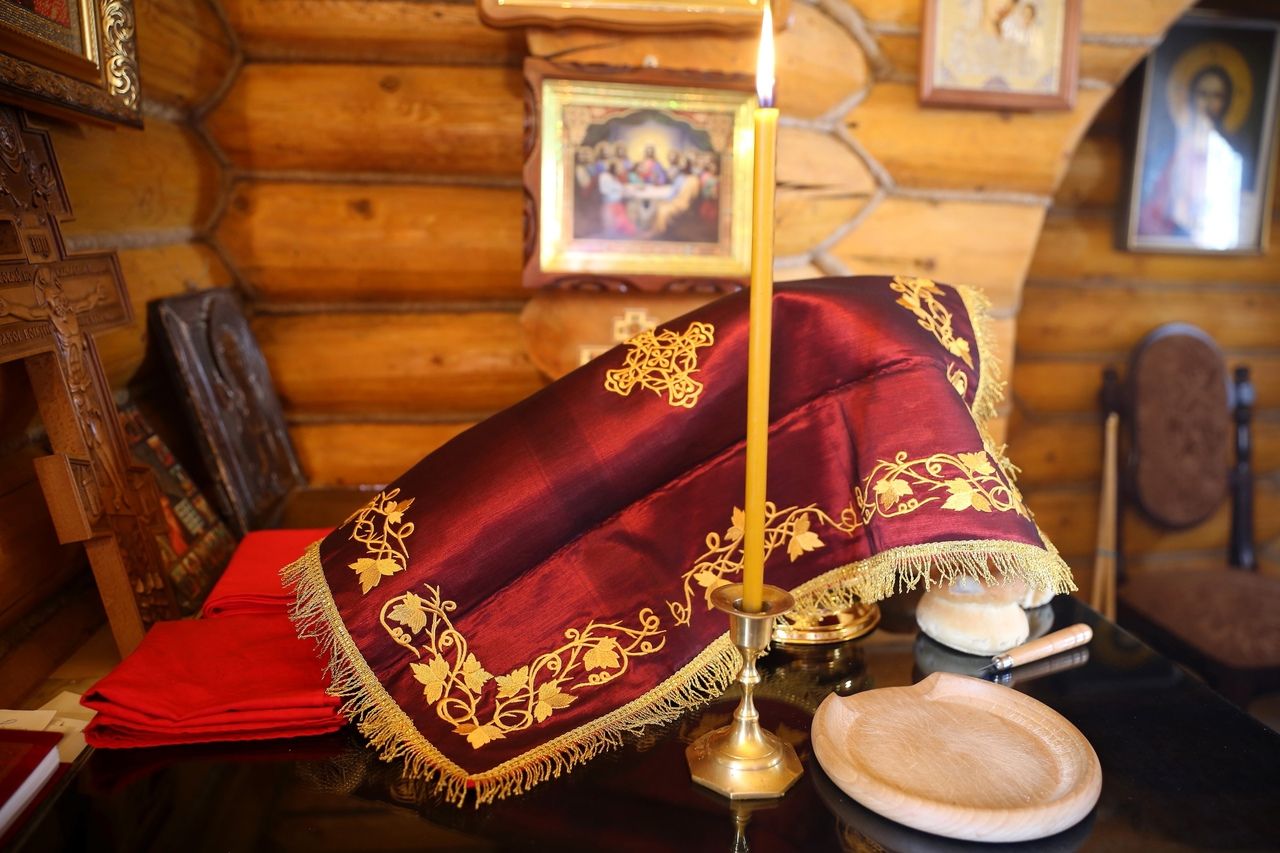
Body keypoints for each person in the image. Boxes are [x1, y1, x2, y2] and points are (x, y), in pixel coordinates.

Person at [1138, 64, 1244, 248]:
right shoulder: (1173, 146)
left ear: (1226, 101)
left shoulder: (1228, 154)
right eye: (1203, 94)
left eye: (1217, 96)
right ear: (1192, 97)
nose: (1209, 102)